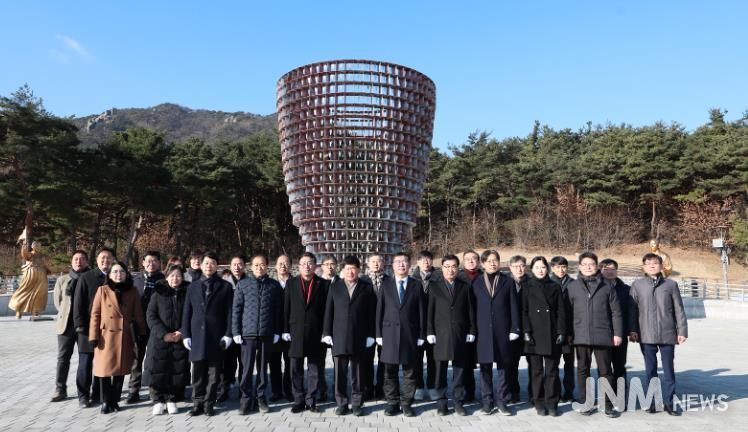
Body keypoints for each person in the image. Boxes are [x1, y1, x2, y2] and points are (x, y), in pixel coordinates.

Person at [629, 253, 688, 416]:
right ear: (643, 267)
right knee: (651, 370)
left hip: (667, 333)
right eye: (648, 263)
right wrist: (632, 330)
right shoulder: (637, 285)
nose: (652, 265)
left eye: (655, 263)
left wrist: (682, 331)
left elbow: (679, 309)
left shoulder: (671, 285)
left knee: (668, 369)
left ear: (661, 266)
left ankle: (669, 402)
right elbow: (632, 310)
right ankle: (652, 402)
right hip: (645, 334)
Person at [567, 251, 623, 417]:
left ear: (597, 266)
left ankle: (608, 404)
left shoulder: (607, 286)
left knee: (605, 371)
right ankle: (586, 402)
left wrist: (618, 333)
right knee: (583, 370)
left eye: (591, 264)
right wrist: (569, 333)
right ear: (579, 267)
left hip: (603, 335)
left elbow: (616, 312)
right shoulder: (572, 287)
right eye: (584, 264)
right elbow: (567, 313)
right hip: (580, 336)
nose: (588, 267)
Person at [89, 261, 147, 414]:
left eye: (121, 271)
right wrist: (93, 336)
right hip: (105, 336)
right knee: (104, 371)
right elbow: (95, 315)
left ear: (126, 274)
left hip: (124, 336)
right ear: (109, 275)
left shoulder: (132, 291)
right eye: (115, 272)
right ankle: (105, 401)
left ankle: (115, 400)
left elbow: (138, 313)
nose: (118, 274)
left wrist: (142, 331)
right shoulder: (102, 290)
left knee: (120, 370)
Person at [181, 252, 234, 417]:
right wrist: (186, 334)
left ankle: (209, 403)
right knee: (198, 373)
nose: (209, 266)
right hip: (197, 336)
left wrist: (228, 334)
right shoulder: (193, 286)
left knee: (213, 374)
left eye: (212, 263)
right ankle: (197, 403)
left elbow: (230, 313)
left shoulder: (225, 287)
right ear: (201, 265)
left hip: (216, 336)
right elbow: (187, 312)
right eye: (206, 263)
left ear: (217, 266)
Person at [322, 255, 376, 416]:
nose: (350, 272)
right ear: (342, 270)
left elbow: (371, 313)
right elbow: (328, 311)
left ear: (358, 270)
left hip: (359, 336)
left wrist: (371, 334)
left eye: (353, 268)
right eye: (347, 269)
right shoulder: (335, 287)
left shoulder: (366, 287)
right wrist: (326, 332)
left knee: (358, 373)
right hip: (339, 336)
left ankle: (357, 403)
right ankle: (341, 402)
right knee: (340, 372)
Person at [232, 254, 283, 415]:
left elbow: (278, 311)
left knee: (262, 370)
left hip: (266, 334)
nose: (259, 268)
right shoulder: (243, 285)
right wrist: (236, 331)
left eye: (262, 265)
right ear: (251, 267)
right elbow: (236, 310)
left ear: (267, 266)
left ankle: (261, 398)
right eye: (256, 265)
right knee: (246, 370)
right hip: (247, 334)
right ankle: (246, 400)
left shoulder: (274, 286)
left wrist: (277, 331)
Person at [376, 252, 425, 417]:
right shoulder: (386, 284)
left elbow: (421, 312)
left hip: (410, 334)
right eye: (398, 262)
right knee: (389, 372)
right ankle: (392, 403)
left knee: (410, 372)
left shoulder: (416, 285)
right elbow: (379, 310)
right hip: (389, 334)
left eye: (404, 262)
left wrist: (421, 334)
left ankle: (407, 403)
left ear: (409, 265)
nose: (401, 265)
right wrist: (378, 334)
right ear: (392, 265)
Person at [427, 254, 476, 416]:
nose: (450, 270)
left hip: (460, 334)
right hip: (440, 335)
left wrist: (472, 330)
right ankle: (441, 403)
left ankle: (458, 402)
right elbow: (429, 312)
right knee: (440, 371)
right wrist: (430, 331)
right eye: (447, 266)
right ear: (442, 268)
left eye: (453, 266)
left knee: (459, 370)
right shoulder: (434, 287)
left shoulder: (465, 286)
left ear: (458, 268)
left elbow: (471, 311)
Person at [472, 250, 520, 415]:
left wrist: (515, 328)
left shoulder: (507, 281)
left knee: (503, 367)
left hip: (503, 330)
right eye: (489, 261)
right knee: (485, 368)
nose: (492, 263)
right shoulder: (477, 282)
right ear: (483, 264)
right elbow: (472, 308)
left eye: (495, 260)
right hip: (483, 331)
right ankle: (487, 401)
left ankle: (502, 401)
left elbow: (514, 306)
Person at [283, 252, 330, 413]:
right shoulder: (291, 283)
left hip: (316, 333)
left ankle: (312, 400)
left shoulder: (324, 284)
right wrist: (285, 330)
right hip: (295, 332)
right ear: (299, 266)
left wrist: (326, 332)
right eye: (303, 263)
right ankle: (298, 400)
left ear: (315, 265)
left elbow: (328, 311)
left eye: (310, 263)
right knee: (295, 369)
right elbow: (285, 309)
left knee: (314, 369)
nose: (307, 266)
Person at [523, 256, 568, 417]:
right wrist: (526, 331)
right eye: (537, 267)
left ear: (547, 269)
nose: (540, 270)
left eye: (543, 267)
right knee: (536, 371)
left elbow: (561, 311)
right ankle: (538, 402)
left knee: (552, 371)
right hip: (534, 334)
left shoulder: (554, 286)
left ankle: (552, 402)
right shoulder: (527, 286)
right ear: (532, 269)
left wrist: (561, 331)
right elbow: (523, 311)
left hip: (552, 333)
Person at [143, 264, 190, 415]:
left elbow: (192, 315)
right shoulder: (158, 294)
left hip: (179, 338)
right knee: (157, 369)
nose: (175, 278)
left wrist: (182, 332)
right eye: (172, 275)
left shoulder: (187, 293)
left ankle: (172, 399)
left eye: (178, 276)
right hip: (159, 339)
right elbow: (151, 316)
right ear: (167, 277)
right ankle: (158, 400)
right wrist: (164, 334)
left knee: (176, 370)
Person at [73, 247, 115, 407]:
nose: (105, 261)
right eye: (102, 258)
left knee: (102, 362)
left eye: (109, 258)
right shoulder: (87, 277)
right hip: (87, 328)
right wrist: (80, 325)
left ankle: (98, 393)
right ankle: (83, 395)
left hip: (107, 330)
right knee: (85, 362)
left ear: (113, 260)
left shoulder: (115, 277)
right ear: (97, 260)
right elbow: (78, 303)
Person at [51, 250, 90, 402]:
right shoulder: (63, 280)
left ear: (87, 262)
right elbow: (58, 302)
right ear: (71, 262)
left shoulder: (90, 278)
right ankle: (60, 389)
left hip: (84, 326)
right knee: (63, 358)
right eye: (75, 259)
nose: (78, 262)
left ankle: (84, 390)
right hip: (66, 325)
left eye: (81, 259)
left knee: (85, 359)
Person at [129, 251, 165, 404]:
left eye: (155, 260)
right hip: (138, 326)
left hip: (156, 326)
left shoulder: (164, 281)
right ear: (143, 263)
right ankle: (133, 390)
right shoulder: (135, 280)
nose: (151, 263)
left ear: (159, 263)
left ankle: (154, 390)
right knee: (136, 359)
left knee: (153, 359)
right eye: (148, 261)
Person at [599, 258, 634, 395]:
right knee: (604, 367)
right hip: (602, 333)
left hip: (620, 333)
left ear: (617, 271)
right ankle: (606, 394)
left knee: (619, 365)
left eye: (613, 269)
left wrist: (632, 330)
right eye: (606, 269)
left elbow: (631, 312)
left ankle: (620, 393)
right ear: (600, 270)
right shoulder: (596, 289)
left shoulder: (626, 289)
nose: (609, 272)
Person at [218, 253, 249, 403]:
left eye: (240, 264)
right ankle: (224, 389)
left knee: (244, 362)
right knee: (227, 362)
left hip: (245, 329)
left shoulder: (250, 282)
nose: (237, 267)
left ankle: (244, 390)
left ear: (244, 266)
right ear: (230, 266)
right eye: (234, 264)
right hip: (228, 329)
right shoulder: (223, 284)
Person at [360, 253, 390, 401]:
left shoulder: (389, 281)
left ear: (383, 263)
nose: (376, 264)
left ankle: (382, 389)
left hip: (386, 326)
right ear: (368, 263)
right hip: (366, 325)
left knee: (384, 360)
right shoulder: (362, 281)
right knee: (366, 359)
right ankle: (367, 389)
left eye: (379, 261)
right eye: (373, 261)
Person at [410, 250, 437, 401]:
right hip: (416, 325)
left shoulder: (439, 277)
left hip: (435, 324)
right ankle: (418, 386)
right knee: (416, 359)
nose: (426, 262)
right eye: (422, 260)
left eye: (428, 259)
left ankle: (433, 386)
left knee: (434, 359)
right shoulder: (411, 279)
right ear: (418, 262)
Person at [456, 250, 482, 403]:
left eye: (474, 259)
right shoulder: (458, 277)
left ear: (478, 261)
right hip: (464, 324)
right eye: (467, 259)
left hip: (482, 322)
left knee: (482, 359)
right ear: (463, 261)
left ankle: (487, 392)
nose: (471, 261)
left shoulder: (484, 277)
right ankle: (468, 392)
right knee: (465, 360)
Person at [549, 256, 575, 402]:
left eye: (564, 266)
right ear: (552, 268)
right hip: (553, 331)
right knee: (553, 364)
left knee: (569, 364)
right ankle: (555, 392)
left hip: (570, 331)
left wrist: (571, 332)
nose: (561, 270)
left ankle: (569, 392)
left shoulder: (573, 284)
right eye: (558, 267)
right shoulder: (548, 283)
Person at [269, 254, 293, 402]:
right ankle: (276, 391)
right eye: (280, 263)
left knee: (291, 362)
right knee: (274, 362)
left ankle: (289, 390)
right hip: (274, 329)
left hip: (291, 329)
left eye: (286, 263)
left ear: (290, 265)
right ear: (275, 266)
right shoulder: (271, 284)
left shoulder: (296, 282)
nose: (283, 266)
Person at [9, 239, 50, 320]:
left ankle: (36, 311)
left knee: (39, 293)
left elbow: (48, 265)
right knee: (24, 292)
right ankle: (19, 310)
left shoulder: (43, 256)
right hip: (30, 276)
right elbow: (24, 254)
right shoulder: (30, 255)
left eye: (38, 245)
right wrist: (24, 246)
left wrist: (48, 268)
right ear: (32, 246)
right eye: (35, 245)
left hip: (41, 277)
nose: (37, 247)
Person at [506, 255, 528, 403]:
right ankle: (513, 391)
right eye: (515, 266)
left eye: (521, 266)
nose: (519, 269)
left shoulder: (531, 283)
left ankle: (535, 392)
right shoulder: (505, 282)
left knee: (533, 362)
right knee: (511, 362)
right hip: (511, 328)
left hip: (528, 327)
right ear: (510, 268)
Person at [317, 254, 339, 401]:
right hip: (320, 328)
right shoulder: (317, 283)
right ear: (322, 266)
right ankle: (321, 390)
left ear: (336, 266)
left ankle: (338, 390)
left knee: (338, 362)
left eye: (332, 264)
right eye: (327, 264)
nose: (330, 267)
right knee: (319, 361)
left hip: (337, 328)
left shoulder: (342, 283)